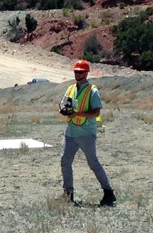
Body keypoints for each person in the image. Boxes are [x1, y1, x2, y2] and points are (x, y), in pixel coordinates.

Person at [59, 59, 116, 207]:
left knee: (93, 163)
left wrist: (78, 114)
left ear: (86, 73)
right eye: (76, 72)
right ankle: (68, 193)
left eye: (80, 72)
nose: (78, 74)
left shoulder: (93, 91)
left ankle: (108, 192)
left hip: (86, 133)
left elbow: (96, 112)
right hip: (71, 132)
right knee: (65, 161)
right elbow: (65, 104)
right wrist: (64, 110)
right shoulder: (71, 88)